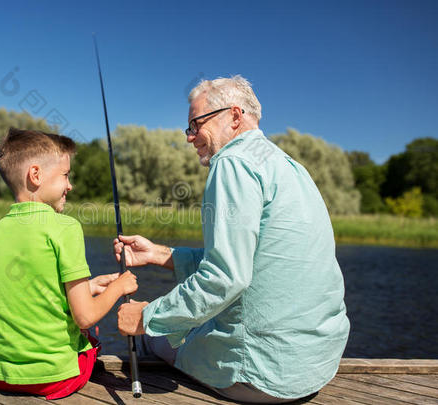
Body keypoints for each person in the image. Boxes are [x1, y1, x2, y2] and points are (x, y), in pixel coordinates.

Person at [114, 76, 350, 404]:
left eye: (196, 124)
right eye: (189, 128)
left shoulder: (232, 163)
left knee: (153, 336)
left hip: (263, 376)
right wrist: (159, 253)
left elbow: (224, 279)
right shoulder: (289, 166)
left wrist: (146, 317)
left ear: (235, 116)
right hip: (316, 365)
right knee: (189, 319)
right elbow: (255, 262)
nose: (190, 137)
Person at [0, 127, 138, 400]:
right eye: (65, 175)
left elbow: (30, 292)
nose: (70, 185)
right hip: (54, 379)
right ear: (35, 175)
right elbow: (85, 317)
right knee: (90, 338)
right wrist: (119, 287)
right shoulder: (65, 228)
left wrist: (89, 285)